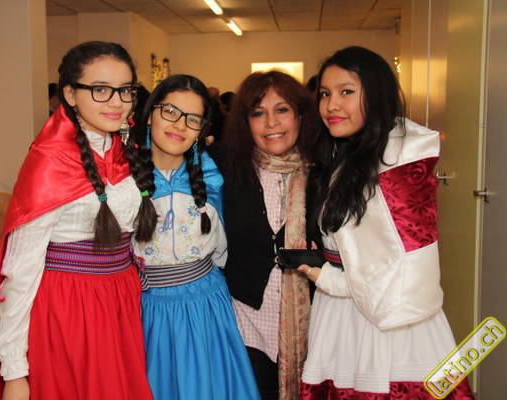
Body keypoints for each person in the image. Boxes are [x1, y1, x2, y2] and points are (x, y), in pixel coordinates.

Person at [298, 46, 475, 399]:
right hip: (343, 311)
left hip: (388, 324)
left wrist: (328, 278)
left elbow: (405, 272)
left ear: (376, 94)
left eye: (347, 91)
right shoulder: (348, 153)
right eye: (326, 94)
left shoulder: (399, 164)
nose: (332, 105)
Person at [0, 41, 153, 400]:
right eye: (100, 89)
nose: (117, 102)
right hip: (70, 304)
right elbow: (21, 270)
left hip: (119, 299)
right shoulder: (50, 160)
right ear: (70, 94)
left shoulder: (123, 151)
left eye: (126, 90)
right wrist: (14, 370)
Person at [128, 74, 260, 400]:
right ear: (150, 114)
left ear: (202, 130)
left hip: (205, 307)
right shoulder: (121, 178)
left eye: (193, 119)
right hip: (146, 309)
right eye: (170, 111)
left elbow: (223, 247)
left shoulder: (213, 177)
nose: (180, 125)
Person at [216, 70, 313, 400]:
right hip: (247, 318)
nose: (271, 123)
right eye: (258, 113)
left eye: (282, 109)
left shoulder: (325, 172)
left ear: (300, 115)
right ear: (246, 123)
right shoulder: (226, 169)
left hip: (312, 319)